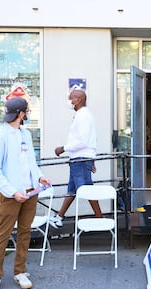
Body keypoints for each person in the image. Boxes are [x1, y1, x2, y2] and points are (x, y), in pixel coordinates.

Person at [0, 97, 51, 289]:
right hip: (11, 195)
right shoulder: (0, 135)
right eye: (27, 111)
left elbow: (31, 162)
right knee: (3, 235)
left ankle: (20, 272)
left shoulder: (26, 134)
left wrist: (40, 176)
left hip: (30, 192)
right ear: (21, 113)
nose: (28, 114)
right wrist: (13, 192)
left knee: (25, 233)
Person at [49, 88, 102, 229]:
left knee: (85, 189)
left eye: (71, 98)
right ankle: (59, 217)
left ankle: (100, 218)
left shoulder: (82, 115)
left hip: (80, 159)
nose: (69, 100)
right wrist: (92, 158)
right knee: (72, 190)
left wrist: (63, 148)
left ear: (79, 99)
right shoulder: (84, 114)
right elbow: (92, 139)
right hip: (81, 158)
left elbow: (83, 141)